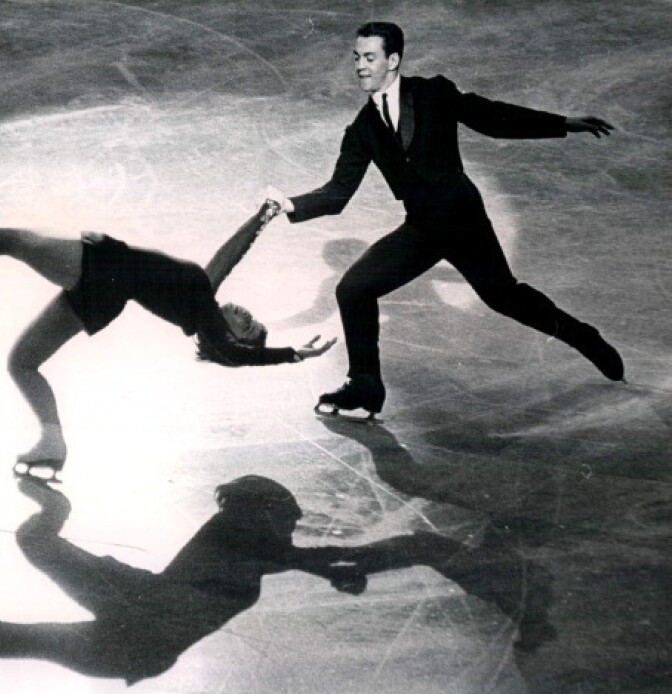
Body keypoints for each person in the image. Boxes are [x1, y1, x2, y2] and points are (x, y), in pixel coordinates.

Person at [267, 21, 624, 418]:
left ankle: (585, 338)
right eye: (357, 58)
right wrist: (290, 206)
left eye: (370, 58)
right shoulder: (363, 128)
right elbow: (337, 194)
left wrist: (562, 124)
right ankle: (365, 386)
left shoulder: (433, 92)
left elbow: (491, 117)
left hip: (462, 219)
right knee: (353, 289)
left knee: (504, 297)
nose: (360, 67)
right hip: (422, 228)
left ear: (393, 60)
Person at [0, 202, 335, 478]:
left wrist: (291, 354)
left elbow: (233, 354)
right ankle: (52, 440)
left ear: (235, 340)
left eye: (248, 324)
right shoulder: (201, 299)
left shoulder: (207, 322)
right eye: (251, 318)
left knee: (11, 239)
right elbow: (226, 259)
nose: (245, 313)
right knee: (22, 362)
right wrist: (261, 217)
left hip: (104, 268)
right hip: (105, 294)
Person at [0, 474, 365, 684]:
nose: (294, 525)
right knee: (30, 629)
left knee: (30, 636)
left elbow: (287, 556)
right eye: (291, 517)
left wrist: (331, 569)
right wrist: (334, 569)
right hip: (141, 619)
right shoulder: (241, 530)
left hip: (139, 630)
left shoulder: (254, 540)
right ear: (264, 509)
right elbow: (286, 555)